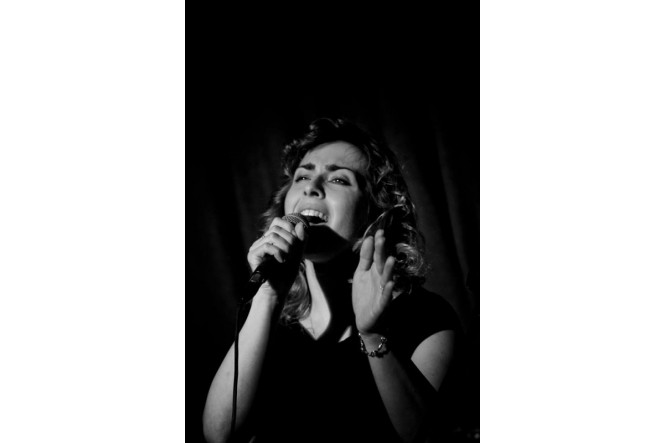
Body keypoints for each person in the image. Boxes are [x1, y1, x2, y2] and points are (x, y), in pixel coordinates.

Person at [203, 118, 461, 443]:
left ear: (375, 211)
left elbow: (426, 437)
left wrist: (373, 335)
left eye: (339, 178)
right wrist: (267, 297)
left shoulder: (425, 316)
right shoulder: (272, 322)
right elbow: (219, 435)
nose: (311, 187)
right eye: (302, 176)